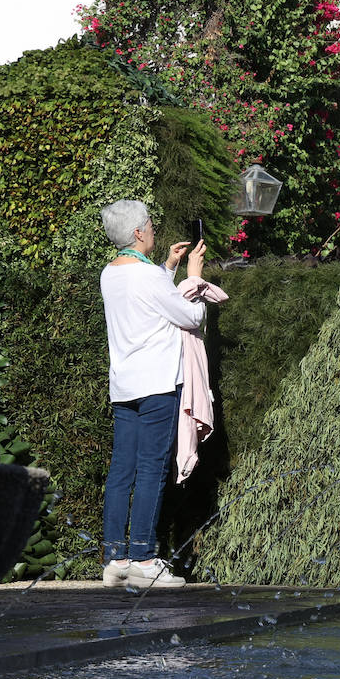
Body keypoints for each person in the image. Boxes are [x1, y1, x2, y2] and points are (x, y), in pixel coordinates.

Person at [99, 200, 207, 589]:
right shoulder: (148, 278)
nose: (154, 228)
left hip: (124, 386)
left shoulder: (110, 273)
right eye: (150, 224)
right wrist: (192, 277)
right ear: (139, 233)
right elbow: (190, 316)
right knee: (152, 469)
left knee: (121, 470)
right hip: (158, 385)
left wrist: (168, 268)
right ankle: (144, 558)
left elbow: (144, 299)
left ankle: (116, 558)